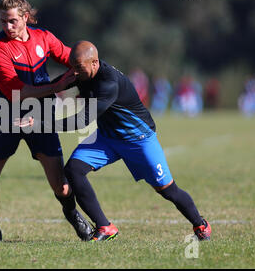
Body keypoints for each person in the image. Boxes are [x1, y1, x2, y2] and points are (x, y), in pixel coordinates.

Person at [20, 41, 212, 242]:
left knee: (168, 191)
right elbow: (52, 88)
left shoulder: (108, 83)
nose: (74, 73)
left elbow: (82, 120)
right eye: (72, 67)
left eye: (78, 68)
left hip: (138, 140)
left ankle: (200, 224)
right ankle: (105, 227)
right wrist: (22, 96)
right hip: (107, 138)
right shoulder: (80, 72)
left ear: (94, 63)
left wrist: (41, 123)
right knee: (73, 170)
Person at [0, 0, 92, 241]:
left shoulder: (44, 38)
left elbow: (72, 57)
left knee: (60, 185)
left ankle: (75, 217)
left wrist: (94, 67)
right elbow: (18, 91)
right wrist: (57, 86)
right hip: (7, 116)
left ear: (25, 17)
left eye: (13, 20)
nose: (7, 26)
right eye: (3, 21)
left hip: (40, 117)